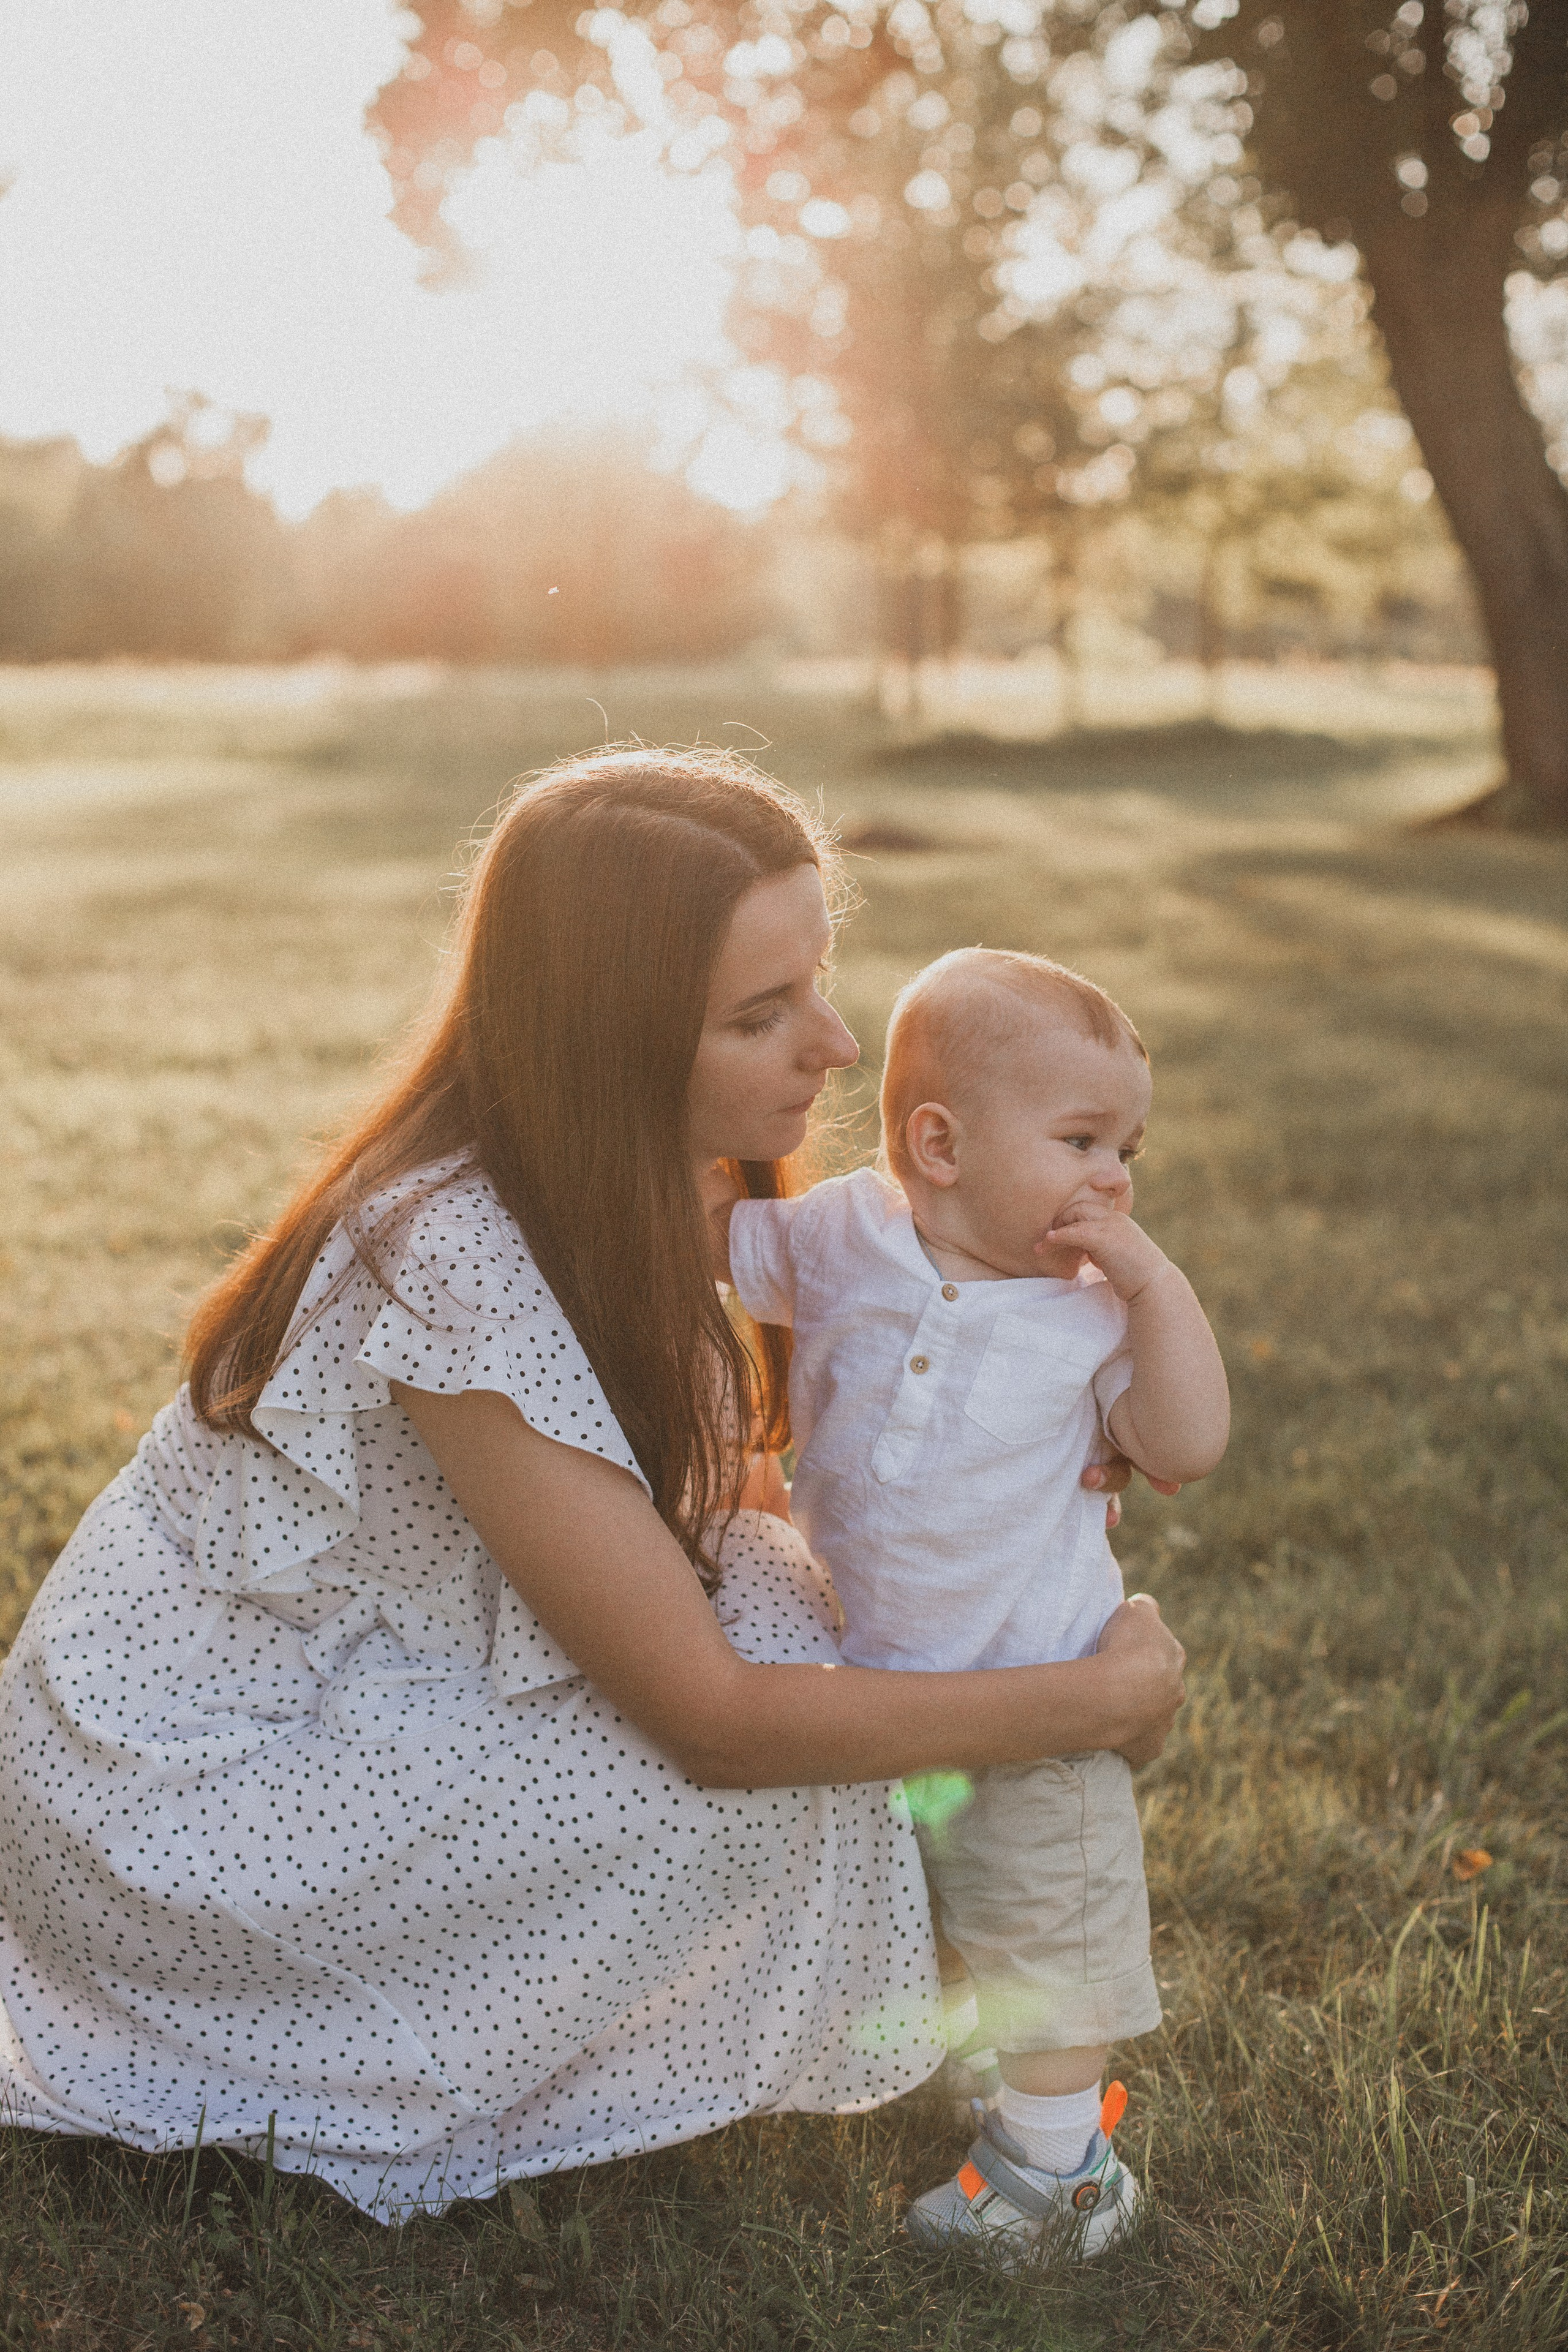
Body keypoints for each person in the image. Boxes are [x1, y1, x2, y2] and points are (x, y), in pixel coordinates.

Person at [0, 750, 1186, 2224]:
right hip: (196, 1789)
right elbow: (714, 1723)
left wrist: (989, 1450)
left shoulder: (694, 1163)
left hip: (405, 1654)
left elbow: (735, 1495)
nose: (833, 1043)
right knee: (772, 1751)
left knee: (813, 1622)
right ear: (612, 1038)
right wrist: (1089, 1700)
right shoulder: (450, 1257)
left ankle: (912, 1932)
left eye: (818, 975)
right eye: (761, 1014)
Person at [720, 947, 1228, 2260]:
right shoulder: (842, 1235)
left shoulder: (1092, 1317)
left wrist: (1152, 1286)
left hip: (1032, 1705)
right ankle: (965, 2084)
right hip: (868, 1691)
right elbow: (709, 1243)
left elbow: (1186, 1438)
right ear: (935, 1145)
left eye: (1129, 1147)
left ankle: (1061, 2181)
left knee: (1043, 1933)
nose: (1112, 1176)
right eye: (1078, 1140)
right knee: (932, 1914)